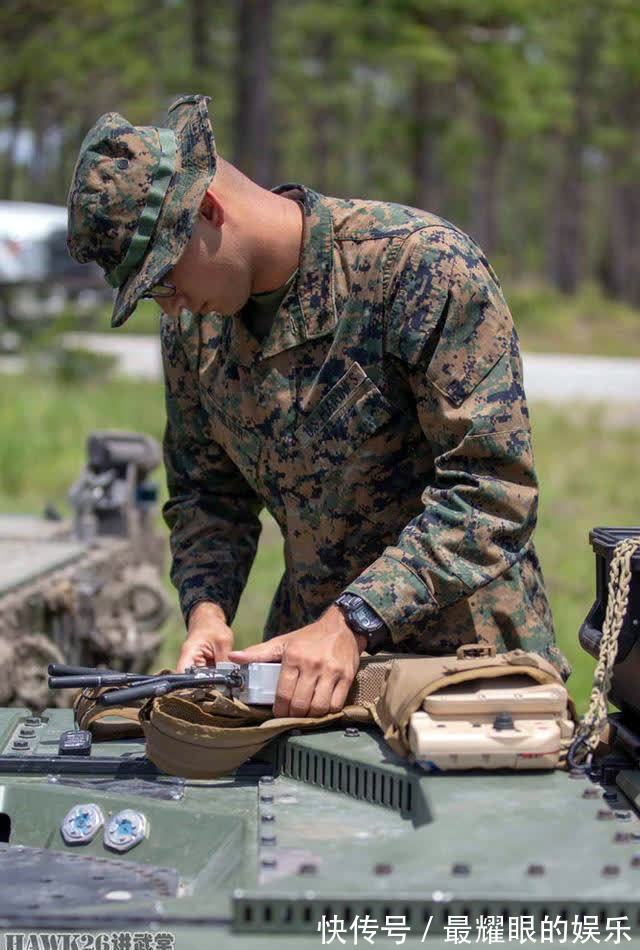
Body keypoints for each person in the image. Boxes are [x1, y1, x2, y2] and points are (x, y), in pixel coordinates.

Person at [67, 94, 571, 719]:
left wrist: (351, 622)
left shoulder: (416, 267)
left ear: (209, 209)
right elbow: (206, 493)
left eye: (165, 280)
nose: (169, 307)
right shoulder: (192, 331)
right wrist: (207, 611)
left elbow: (494, 491)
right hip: (310, 681)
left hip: (465, 670)